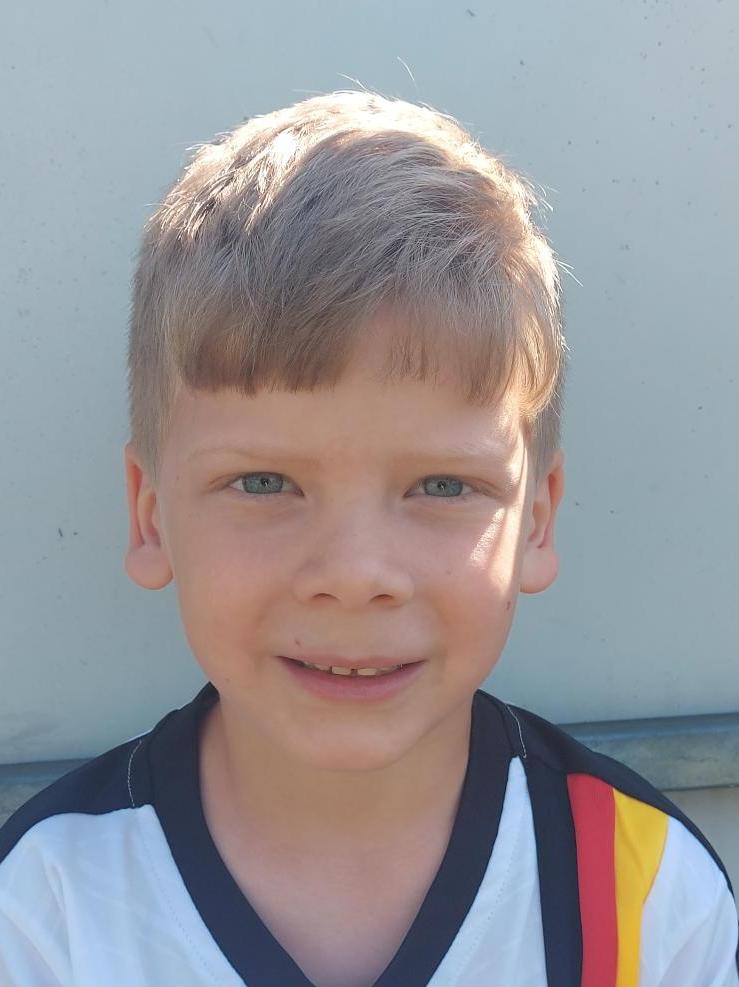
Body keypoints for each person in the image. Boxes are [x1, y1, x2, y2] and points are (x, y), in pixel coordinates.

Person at [0, 90, 736, 987]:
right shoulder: (46, 909)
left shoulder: (646, 898)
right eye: (263, 482)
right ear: (150, 513)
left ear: (536, 519)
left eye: (442, 485)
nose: (353, 574)